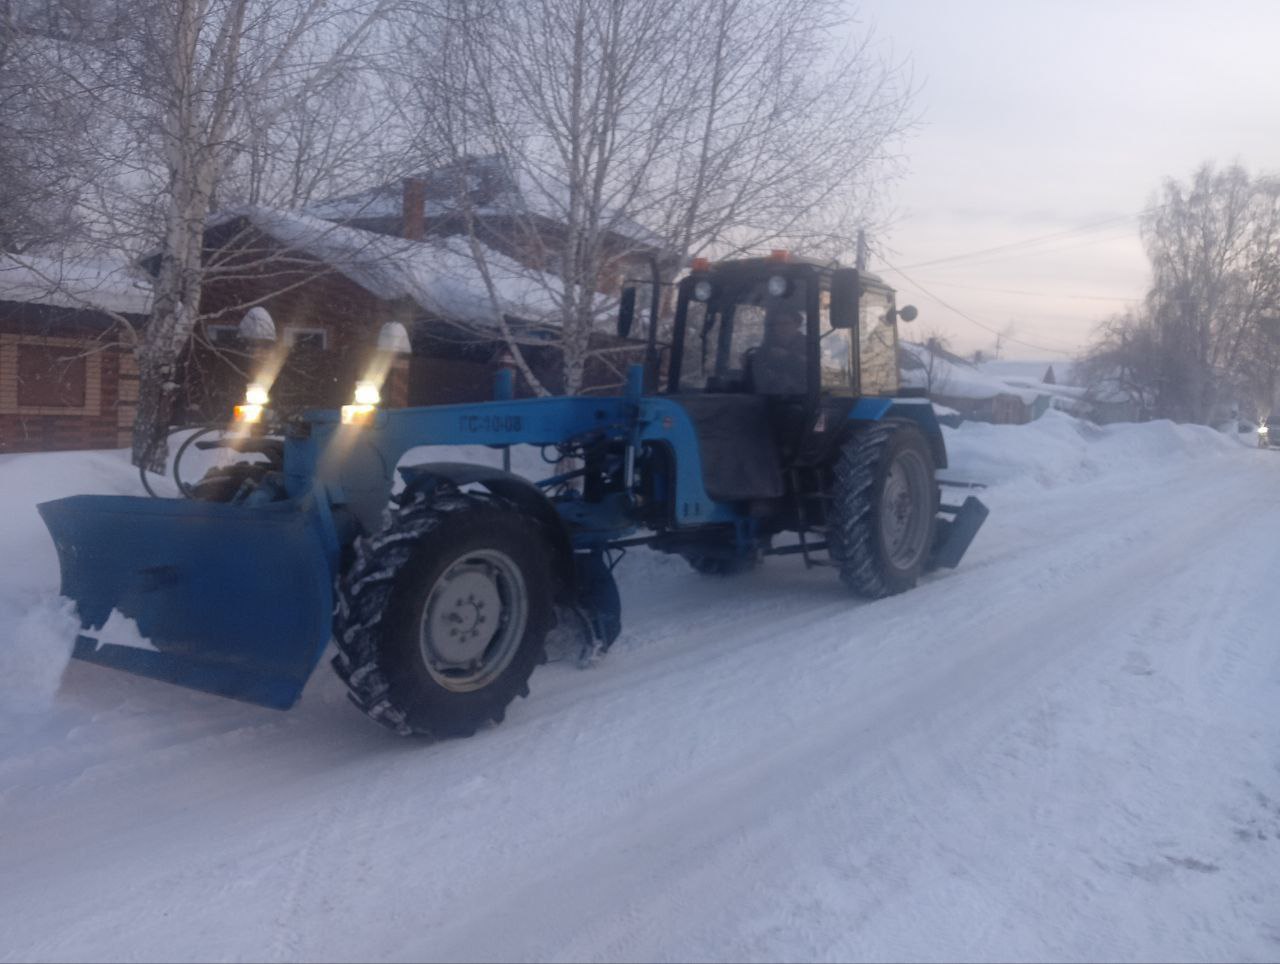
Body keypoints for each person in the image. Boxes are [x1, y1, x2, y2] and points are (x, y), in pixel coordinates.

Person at [752, 305, 807, 394]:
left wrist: (788, 356)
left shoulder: (809, 344)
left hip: (800, 397)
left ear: (797, 324)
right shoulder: (767, 346)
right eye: (777, 324)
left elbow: (811, 367)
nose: (781, 327)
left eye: (786, 323)